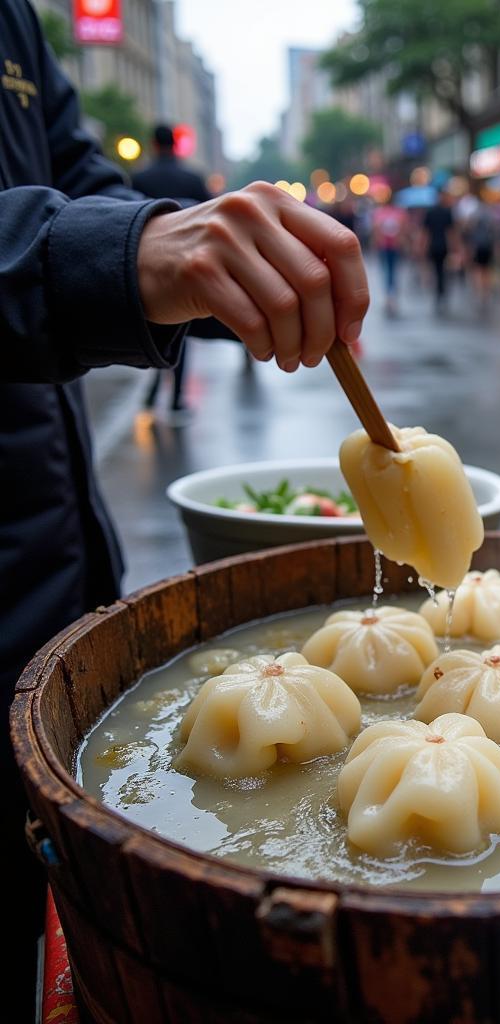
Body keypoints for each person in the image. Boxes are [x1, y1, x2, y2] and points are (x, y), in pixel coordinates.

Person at [0, 3, 369, 1013]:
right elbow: (90, 237)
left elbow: (81, 186)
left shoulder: (15, 21)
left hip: (53, 580)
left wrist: (222, 268)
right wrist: (118, 254)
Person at [133, 125, 212, 419]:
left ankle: (154, 392)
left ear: (153, 143)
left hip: (148, 268)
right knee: (182, 334)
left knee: (153, 329)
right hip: (188, 266)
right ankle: (176, 398)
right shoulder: (191, 178)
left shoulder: (141, 177)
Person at [371, 195, 408, 315]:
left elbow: (402, 228)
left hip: (392, 246)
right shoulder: (395, 213)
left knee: (390, 271)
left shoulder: (382, 212)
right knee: (390, 271)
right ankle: (390, 295)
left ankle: (390, 295)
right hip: (386, 246)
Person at [423, 191, 455, 312]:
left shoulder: (431, 212)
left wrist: (423, 246)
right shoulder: (447, 212)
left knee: (437, 270)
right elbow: (451, 232)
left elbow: (426, 232)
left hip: (435, 246)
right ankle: (441, 292)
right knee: (442, 271)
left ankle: (439, 292)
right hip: (442, 246)